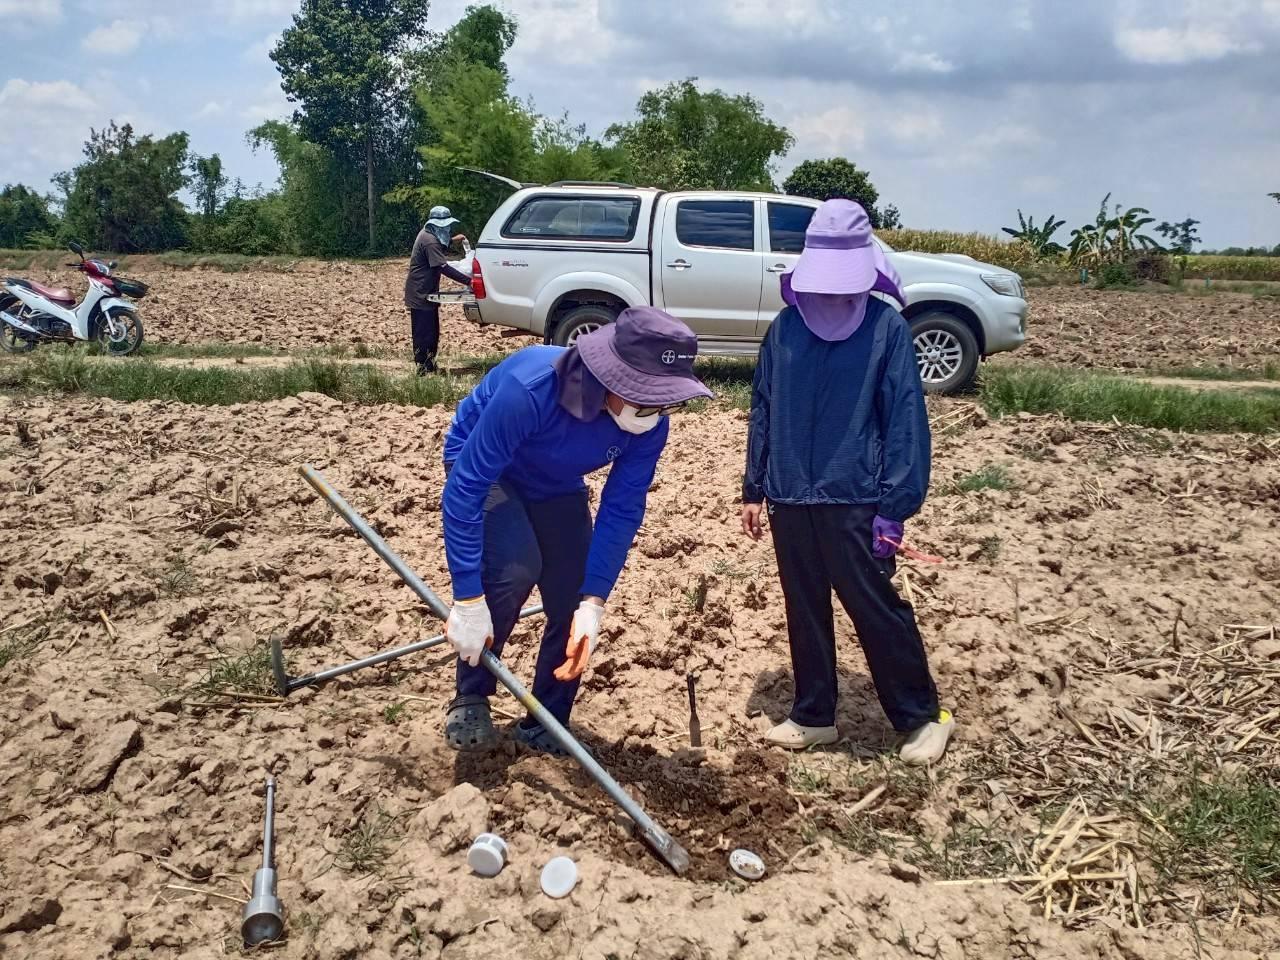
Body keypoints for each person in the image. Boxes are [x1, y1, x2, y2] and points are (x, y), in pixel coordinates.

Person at [440, 307, 712, 754]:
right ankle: (472, 693)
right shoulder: (531, 389)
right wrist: (467, 599)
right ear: (613, 378)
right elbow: (467, 487)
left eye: (667, 403)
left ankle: (548, 715)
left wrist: (594, 602)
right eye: (649, 400)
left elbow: (622, 508)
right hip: (490, 472)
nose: (657, 413)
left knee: (572, 592)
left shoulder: (648, 423)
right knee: (513, 570)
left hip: (556, 482)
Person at [741, 199, 953, 765]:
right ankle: (814, 713)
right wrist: (754, 486)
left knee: (874, 606)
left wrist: (895, 505)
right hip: (790, 493)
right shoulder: (785, 327)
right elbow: (763, 407)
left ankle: (921, 716)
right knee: (803, 604)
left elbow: (905, 417)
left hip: (857, 496)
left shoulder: (886, 328)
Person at [405, 206, 470, 375]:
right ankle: (423, 368)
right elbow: (443, 267)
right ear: (435, 226)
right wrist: (469, 280)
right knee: (424, 332)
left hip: (427, 291)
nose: (446, 229)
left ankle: (430, 364)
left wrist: (454, 239)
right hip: (420, 292)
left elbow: (442, 243)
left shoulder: (428, 234)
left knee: (432, 331)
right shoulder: (429, 240)